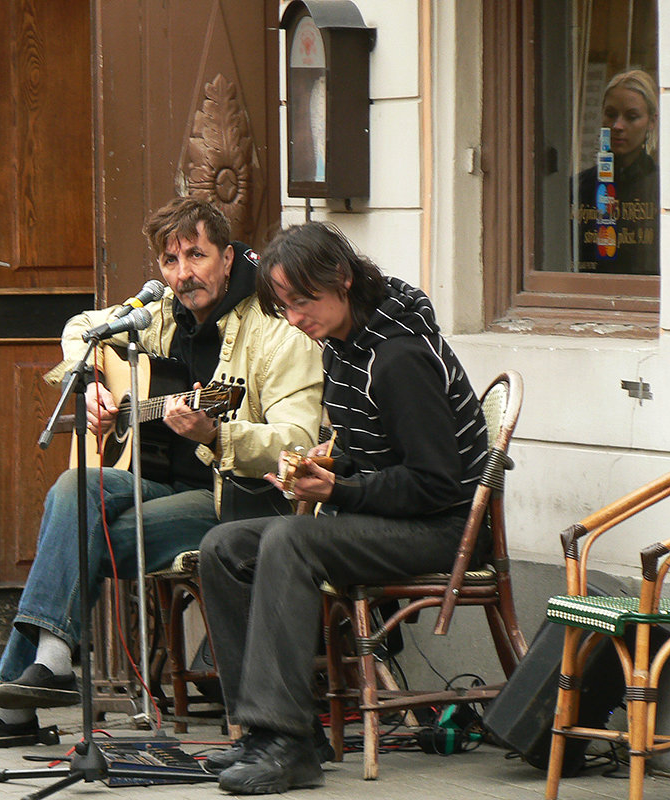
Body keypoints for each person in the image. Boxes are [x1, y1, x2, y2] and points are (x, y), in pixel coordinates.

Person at [0, 197, 323, 751]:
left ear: (229, 258)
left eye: (196, 255)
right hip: (163, 484)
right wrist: (93, 379)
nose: (182, 274)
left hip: (233, 500)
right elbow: (82, 327)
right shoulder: (163, 311)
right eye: (170, 261)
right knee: (74, 487)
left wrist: (218, 434)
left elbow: (298, 443)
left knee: (83, 535)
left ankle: (14, 701)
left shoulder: (278, 330)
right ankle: (52, 661)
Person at [197, 222, 489, 794]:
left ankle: (286, 746)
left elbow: (435, 483)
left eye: (304, 301)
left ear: (344, 279)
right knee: (224, 547)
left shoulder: (398, 355)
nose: (296, 318)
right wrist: (327, 468)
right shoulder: (341, 343)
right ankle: (270, 733)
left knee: (289, 540)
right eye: (284, 306)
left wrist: (338, 492)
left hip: (443, 529)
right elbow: (371, 454)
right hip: (391, 517)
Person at [576, 69, 659, 274]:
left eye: (631, 117)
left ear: (652, 122)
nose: (617, 126)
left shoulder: (663, 189)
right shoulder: (579, 187)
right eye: (611, 115)